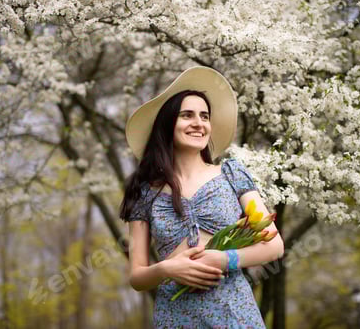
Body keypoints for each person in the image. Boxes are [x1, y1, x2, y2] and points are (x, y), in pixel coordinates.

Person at [120, 66, 284, 328]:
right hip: (175, 315)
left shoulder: (232, 174)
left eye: (204, 116)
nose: (199, 123)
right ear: (167, 123)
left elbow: (274, 245)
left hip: (234, 311)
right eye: (187, 115)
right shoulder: (143, 192)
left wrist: (225, 258)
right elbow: (137, 276)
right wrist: (166, 269)